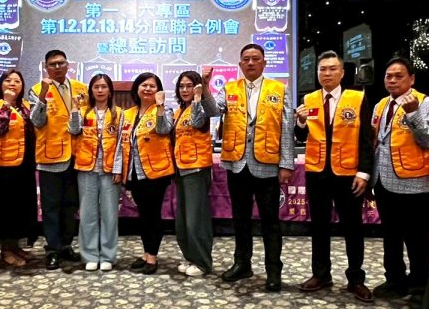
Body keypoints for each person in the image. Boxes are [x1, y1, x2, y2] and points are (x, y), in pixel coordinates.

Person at [202, 44, 295, 292]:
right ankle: (242, 264)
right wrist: (206, 87)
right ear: (240, 64)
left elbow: (287, 127)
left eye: (255, 59)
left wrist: (286, 163)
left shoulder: (279, 89)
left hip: (267, 164)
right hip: (237, 164)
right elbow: (212, 111)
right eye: (246, 59)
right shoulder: (230, 88)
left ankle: (273, 271)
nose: (251, 63)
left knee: (270, 221)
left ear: (264, 63)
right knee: (240, 219)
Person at [293, 51, 374, 302]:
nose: (327, 73)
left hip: (348, 174)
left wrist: (364, 172)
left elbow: (366, 139)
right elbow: (301, 137)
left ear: (342, 72)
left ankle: (356, 279)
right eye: (322, 69)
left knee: (353, 227)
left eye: (332, 69)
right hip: (317, 173)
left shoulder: (357, 98)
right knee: (319, 226)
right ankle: (321, 274)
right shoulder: (309, 99)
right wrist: (301, 123)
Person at [369, 57, 429, 309]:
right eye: (388, 76)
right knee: (391, 235)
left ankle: (420, 286)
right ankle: (395, 279)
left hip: (414, 182)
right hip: (383, 180)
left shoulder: (426, 103)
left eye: (398, 76)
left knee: (417, 238)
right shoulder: (380, 104)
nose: (392, 80)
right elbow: (377, 141)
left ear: (412, 79)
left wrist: (412, 114)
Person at [28, 50, 87, 270]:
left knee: (70, 206)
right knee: (51, 207)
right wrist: (43, 95)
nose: (57, 67)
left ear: (68, 65)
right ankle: (52, 249)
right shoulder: (37, 90)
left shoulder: (81, 89)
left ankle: (65, 245)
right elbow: (37, 121)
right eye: (52, 64)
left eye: (61, 63)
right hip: (50, 158)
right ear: (46, 67)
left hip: (77, 157)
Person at [113, 72, 175, 275]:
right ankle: (146, 251)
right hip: (134, 173)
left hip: (156, 172)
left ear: (158, 90)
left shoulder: (165, 110)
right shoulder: (127, 113)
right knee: (143, 215)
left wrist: (160, 105)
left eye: (152, 86)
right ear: (137, 89)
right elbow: (121, 144)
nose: (148, 89)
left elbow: (164, 129)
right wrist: (119, 171)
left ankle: (152, 256)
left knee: (152, 214)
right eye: (144, 85)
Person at [0, 68, 39, 268]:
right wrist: (6, 104)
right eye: (8, 80)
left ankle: (15, 246)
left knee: (20, 208)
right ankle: (6, 250)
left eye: (17, 81)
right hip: (3, 167)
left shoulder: (25, 107)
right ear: (1, 85)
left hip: (24, 165)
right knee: (5, 210)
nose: (12, 84)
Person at [69, 73, 122, 271]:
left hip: (109, 171)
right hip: (86, 169)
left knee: (109, 215)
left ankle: (108, 256)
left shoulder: (119, 113)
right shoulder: (84, 111)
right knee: (87, 215)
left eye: (104, 86)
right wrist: (75, 109)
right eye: (96, 87)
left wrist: (118, 169)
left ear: (110, 91)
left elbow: (121, 145)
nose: (100, 90)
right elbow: (73, 130)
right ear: (91, 91)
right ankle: (90, 255)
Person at [171, 70, 215, 277]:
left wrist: (199, 97)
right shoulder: (180, 111)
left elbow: (198, 122)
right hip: (181, 169)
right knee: (183, 219)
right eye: (181, 86)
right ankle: (190, 256)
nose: (185, 89)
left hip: (196, 169)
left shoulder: (201, 107)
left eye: (189, 85)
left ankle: (202, 262)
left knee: (196, 219)